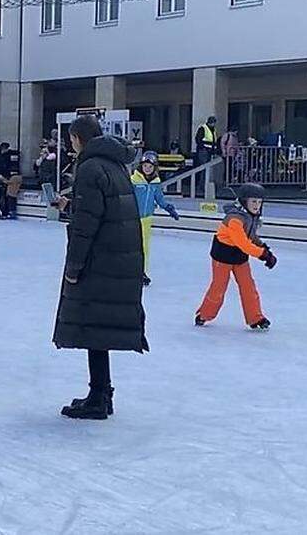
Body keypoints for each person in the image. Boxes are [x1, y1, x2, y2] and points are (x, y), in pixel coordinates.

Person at [54, 115, 145, 421]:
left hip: (99, 259)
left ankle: (99, 396)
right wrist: (73, 205)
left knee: (93, 327)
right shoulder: (115, 164)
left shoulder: (90, 167)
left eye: (71, 140)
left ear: (78, 138)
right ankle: (100, 392)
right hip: (117, 256)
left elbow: (86, 225)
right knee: (97, 328)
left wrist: (74, 266)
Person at [194, 183, 274, 330]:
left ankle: (256, 318)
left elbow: (250, 235)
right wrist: (263, 254)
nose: (257, 205)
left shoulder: (251, 216)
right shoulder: (234, 219)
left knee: (248, 286)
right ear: (244, 201)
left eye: (259, 202)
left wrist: (263, 247)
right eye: (253, 202)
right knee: (218, 288)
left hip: (239, 257)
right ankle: (204, 314)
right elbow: (243, 242)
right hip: (223, 255)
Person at [131, 151, 180, 286]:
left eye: (150, 166)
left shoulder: (155, 183)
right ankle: (130, 272)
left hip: (147, 219)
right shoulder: (133, 181)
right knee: (132, 246)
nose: (147, 168)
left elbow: (160, 199)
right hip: (133, 218)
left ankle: (142, 272)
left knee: (144, 247)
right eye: (145, 165)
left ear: (154, 168)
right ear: (141, 166)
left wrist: (169, 209)